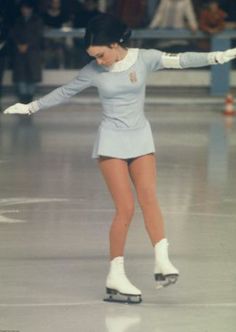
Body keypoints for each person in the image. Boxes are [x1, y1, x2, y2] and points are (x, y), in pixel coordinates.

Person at [4, 13, 236, 304]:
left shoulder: (145, 58)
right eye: (94, 57)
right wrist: (30, 107)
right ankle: (115, 275)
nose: (99, 61)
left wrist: (219, 57)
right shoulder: (93, 70)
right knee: (125, 209)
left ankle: (162, 261)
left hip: (141, 138)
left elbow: (182, 59)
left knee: (150, 198)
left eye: (101, 54)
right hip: (111, 141)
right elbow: (65, 91)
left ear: (115, 44)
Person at [11, 0, 44, 104]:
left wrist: (27, 45)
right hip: (20, 53)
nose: (24, 10)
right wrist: (19, 45)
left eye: (26, 8)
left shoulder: (37, 20)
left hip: (32, 53)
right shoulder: (17, 21)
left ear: (31, 9)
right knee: (21, 75)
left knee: (31, 75)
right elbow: (13, 35)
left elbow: (38, 36)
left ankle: (29, 98)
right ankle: (22, 97)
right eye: (23, 8)